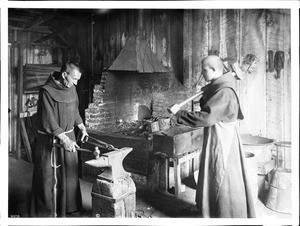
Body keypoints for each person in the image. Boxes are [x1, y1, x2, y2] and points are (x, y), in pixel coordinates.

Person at [169, 55, 256, 218]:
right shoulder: (219, 87)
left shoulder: (224, 92)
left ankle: (225, 215)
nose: (202, 73)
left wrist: (180, 114)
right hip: (217, 136)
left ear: (214, 70)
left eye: (204, 70)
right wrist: (208, 90)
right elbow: (209, 105)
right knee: (213, 173)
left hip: (223, 141)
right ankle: (211, 211)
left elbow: (206, 117)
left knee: (222, 177)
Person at [30, 61, 88, 217]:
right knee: (48, 179)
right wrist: (65, 139)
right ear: (64, 75)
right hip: (52, 140)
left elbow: (74, 111)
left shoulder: (72, 88)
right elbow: (48, 119)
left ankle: (70, 208)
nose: (76, 83)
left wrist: (82, 127)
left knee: (70, 175)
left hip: (68, 137)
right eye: (74, 79)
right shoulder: (46, 91)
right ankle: (48, 213)